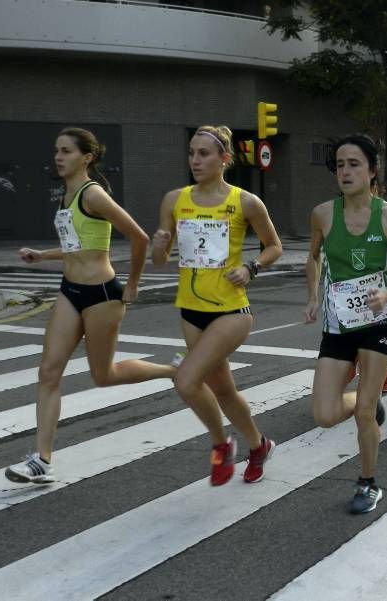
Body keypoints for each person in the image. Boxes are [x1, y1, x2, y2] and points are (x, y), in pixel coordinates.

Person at [6, 127, 177, 484]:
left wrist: (131, 284)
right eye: (56, 150)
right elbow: (77, 246)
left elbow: (139, 237)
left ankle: (175, 371)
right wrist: (43, 256)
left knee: (104, 376)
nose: (58, 156)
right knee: (49, 372)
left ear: (87, 158)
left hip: (101, 295)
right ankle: (41, 459)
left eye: (66, 151)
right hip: (70, 291)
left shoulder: (93, 194)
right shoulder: (65, 195)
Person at [151, 125, 282, 485]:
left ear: (224, 158)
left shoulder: (245, 202)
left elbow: (274, 246)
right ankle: (259, 444)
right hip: (191, 310)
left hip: (231, 310)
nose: (195, 160)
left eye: (204, 153)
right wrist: (159, 244)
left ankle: (221, 443)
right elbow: (159, 260)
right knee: (223, 389)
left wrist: (250, 267)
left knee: (187, 380)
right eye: (192, 152)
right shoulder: (174, 200)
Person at [304, 134, 387, 514]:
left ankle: (368, 482)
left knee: (366, 413)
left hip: (377, 322)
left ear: (372, 171)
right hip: (339, 324)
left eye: (354, 164)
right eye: (340, 164)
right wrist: (312, 296)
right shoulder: (323, 214)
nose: (345, 171)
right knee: (323, 414)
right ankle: (361, 402)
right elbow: (313, 258)